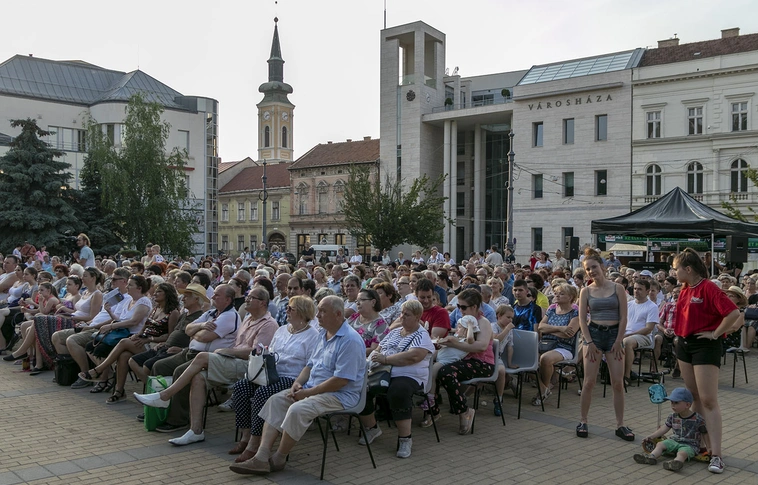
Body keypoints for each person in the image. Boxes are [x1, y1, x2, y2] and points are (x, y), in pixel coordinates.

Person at [228, 295, 365, 475]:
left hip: (339, 395)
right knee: (275, 400)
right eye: (318, 311)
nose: (318, 315)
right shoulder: (323, 334)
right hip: (314, 389)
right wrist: (298, 384)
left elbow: (341, 381)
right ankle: (261, 457)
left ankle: (279, 458)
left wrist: (308, 393)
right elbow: (309, 365)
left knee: (297, 409)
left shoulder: (350, 340)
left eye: (323, 311)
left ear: (338, 314)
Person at [134, 285, 276, 445]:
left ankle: (166, 399)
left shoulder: (267, 324)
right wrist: (201, 327)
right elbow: (188, 330)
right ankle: (196, 431)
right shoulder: (244, 318)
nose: (246, 299)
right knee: (196, 377)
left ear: (263, 303)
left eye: (251, 298)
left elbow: (257, 353)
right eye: (247, 296)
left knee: (195, 361)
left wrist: (228, 351)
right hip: (219, 358)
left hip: (246, 366)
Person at [228, 295, 319, 462]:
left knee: (263, 393)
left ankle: (254, 443)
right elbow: (271, 351)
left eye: (291, 308)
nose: (286, 310)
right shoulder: (282, 330)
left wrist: (299, 382)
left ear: (302, 312)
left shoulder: (313, 335)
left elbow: (310, 365)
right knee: (241, 387)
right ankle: (245, 436)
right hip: (270, 374)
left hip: (291, 377)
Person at [673, 248, 739, 474]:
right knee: (694, 397)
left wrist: (716, 333)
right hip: (684, 344)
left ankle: (717, 455)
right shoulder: (685, 288)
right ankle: (701, 445)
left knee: (709, 400)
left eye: (676, 269)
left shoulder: (709, 287)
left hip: (705, 345)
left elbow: (733, 313)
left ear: (688, 269)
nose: (674, 273)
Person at [358, 299, 435, 458]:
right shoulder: (394, 332)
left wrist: (386, 359)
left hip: (409, 375)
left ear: (417, 317)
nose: (402, 317)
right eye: (402, 313)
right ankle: (372, 428)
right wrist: (372, 361)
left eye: (407, 315)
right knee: (359, 387)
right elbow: (378, 349)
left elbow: (413, 356)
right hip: (382, 372)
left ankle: (405, 439)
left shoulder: (422, 335)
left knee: (399, 391)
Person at [79, 283, 180, 399]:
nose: (155, 294)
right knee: (124, 356)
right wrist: (137, 335)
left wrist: (150, 339)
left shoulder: (173, 313)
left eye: (159, 292)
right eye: (156, 291)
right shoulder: (156, 308)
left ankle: (99, 370)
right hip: (143, 340)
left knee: (123, 342)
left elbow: (171, 336)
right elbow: (144, 327)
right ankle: (119, 391)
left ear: (167, 294)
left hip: (156, 345)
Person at [576, 247, 631, 441]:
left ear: (603, 266)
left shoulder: (618, 288)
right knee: (589, 382)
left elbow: (624, 317)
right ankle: (583, 420)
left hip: (614, 335)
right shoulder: (585, 291)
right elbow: (582, 320)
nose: (591, 271)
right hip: (594, 335)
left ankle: (620, 424)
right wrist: (589, 341)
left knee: (618, 383)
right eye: (588, 269)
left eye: (594, 267)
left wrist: (619, 340)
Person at [634, 387, 708, 472]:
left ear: (687, 405)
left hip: (690, 445)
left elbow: (704, 433)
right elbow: (664, 428)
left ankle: (676, 462)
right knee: (660, 444)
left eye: (676, 403)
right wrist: (651, 436)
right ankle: (651, 457)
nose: (673, 405)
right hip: (674, 441)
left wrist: (709, 448)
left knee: (682, 453)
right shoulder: (673, 416)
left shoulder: (698, 419)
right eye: (671, 402)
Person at [533, 283, 580, 406]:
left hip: (564, 347)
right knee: (526, 358)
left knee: (545, 358)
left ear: (570, 297)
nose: (557, 295)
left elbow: (568, 334)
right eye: (556, 293)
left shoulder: (575, 313)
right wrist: (560, 328)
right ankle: (544, 389)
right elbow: (541, 327)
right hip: (546, 344)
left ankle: (543, 390)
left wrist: (550, 330)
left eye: (562, 293)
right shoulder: (552, 309)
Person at [622, 279, 660, 385]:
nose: (636, 291)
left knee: (627, 342)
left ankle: (626, 376)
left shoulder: (652, 306)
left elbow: (648, 329)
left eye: (639, 289)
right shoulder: (628, 304)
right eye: (635, 288)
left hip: (644, 336)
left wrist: (628, 334)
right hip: (626, 334)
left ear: (647, 291)